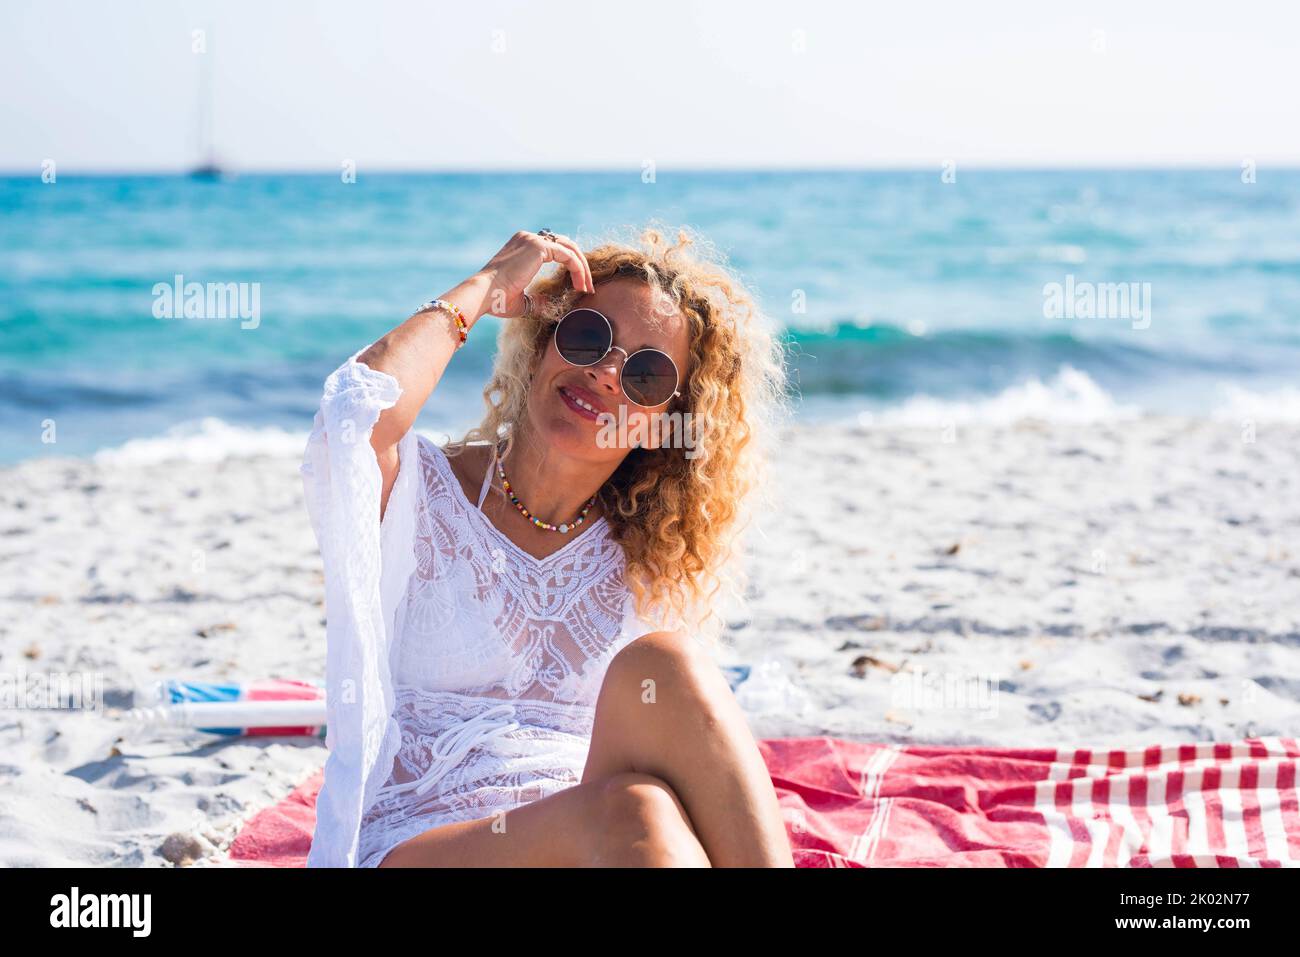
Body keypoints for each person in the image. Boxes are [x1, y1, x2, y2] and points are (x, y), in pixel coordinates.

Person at [301, 224, 793, 866]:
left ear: (664, 423)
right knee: (636, 812)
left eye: (646, 374)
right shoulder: (419, 491)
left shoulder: (652, 551)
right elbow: (351, 417)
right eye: (589, 337)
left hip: (596, 839)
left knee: (669, 667)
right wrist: (481, 289)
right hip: (418, 838)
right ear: (541, 343)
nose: (608, 373)